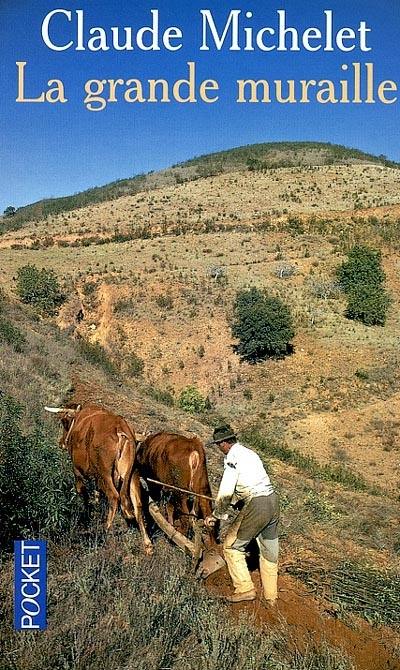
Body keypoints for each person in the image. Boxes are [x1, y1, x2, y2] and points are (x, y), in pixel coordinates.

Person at [205, 424, 279, 604]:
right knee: (269, 553)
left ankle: (244, 589)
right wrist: (238, 501)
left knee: (231, 547)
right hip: (272, 501)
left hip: (258, 504)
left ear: (224, 443)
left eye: (218, 444)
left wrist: (216, 515)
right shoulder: (250, 453)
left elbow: (227, 489)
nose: (218, 448)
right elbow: (251, 482)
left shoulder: (232, 457)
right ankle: (271, 599)